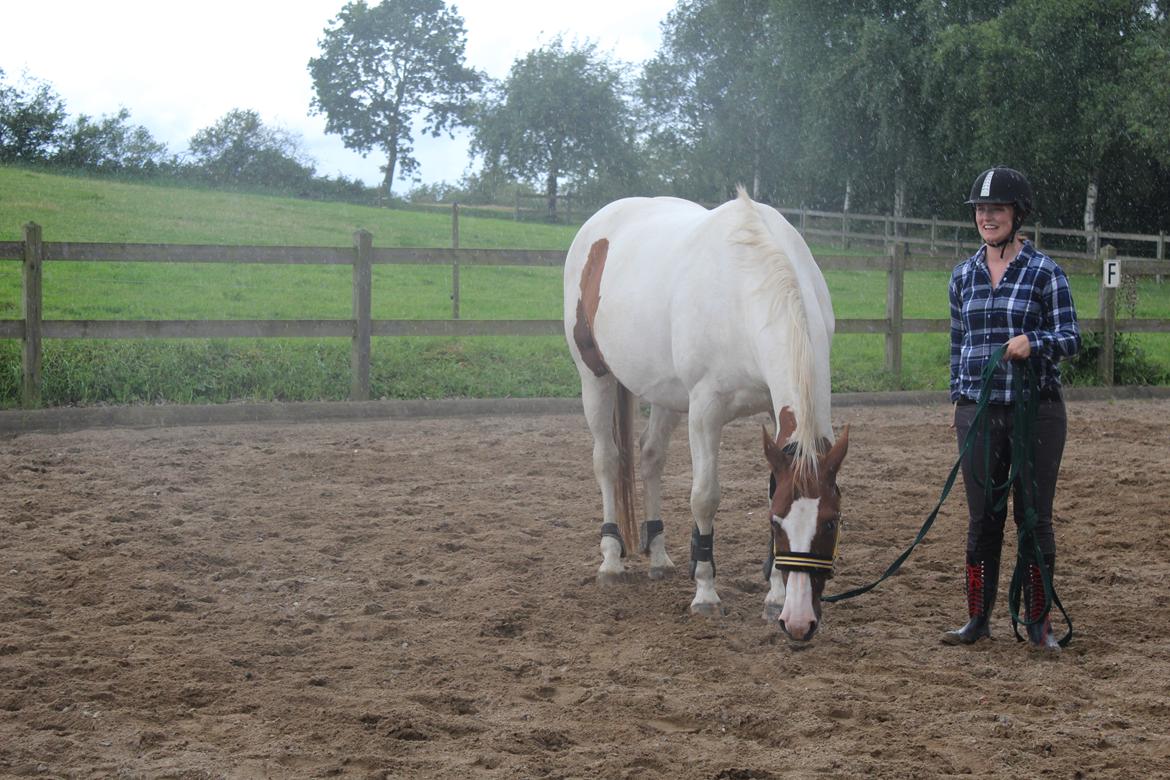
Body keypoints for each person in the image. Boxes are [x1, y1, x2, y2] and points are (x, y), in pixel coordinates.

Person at [942, 166, 1081, 652]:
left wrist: (1033, 342)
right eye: (981, 210)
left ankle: (1039, 622)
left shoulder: (1046, 272)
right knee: (982, 519)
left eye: (996, 209)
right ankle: (977, 618)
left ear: (1017, 214)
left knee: (1034, 517)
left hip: (1035, 410)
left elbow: (1071, 337)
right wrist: (958, 399)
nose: (987, 217)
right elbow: (958, 344)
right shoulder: (963, 276)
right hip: (978, 413)